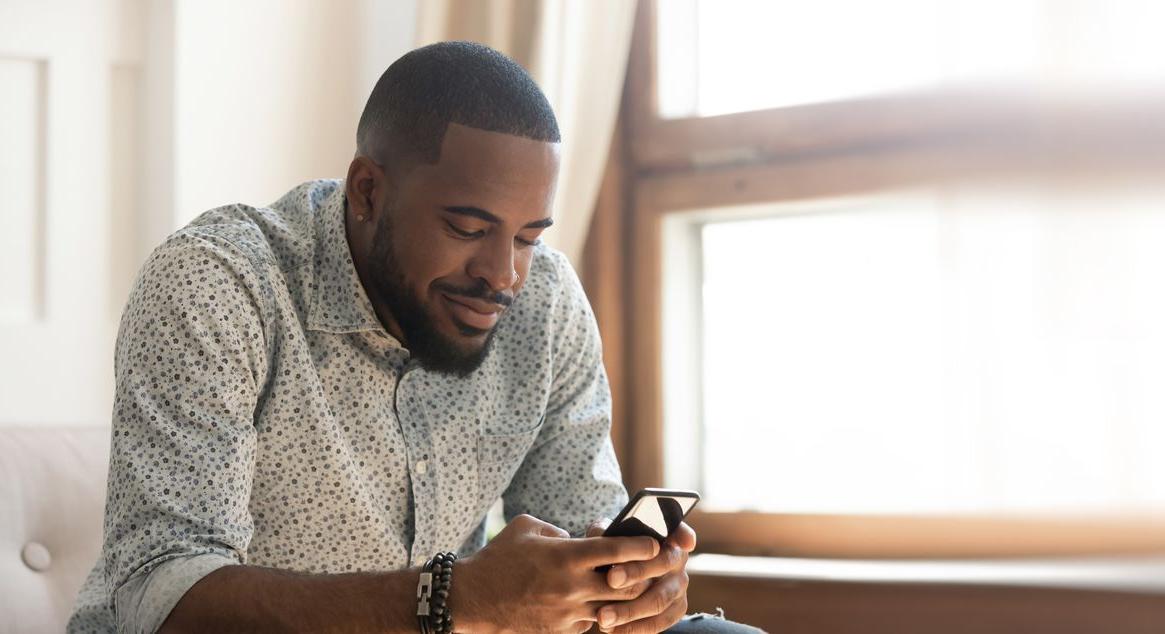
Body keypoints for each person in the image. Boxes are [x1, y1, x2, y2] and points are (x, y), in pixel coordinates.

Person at [69, 41, 760, 634]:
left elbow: (580, 530)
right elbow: (159, 600)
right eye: (467, 229)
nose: (503, 276)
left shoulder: (543, 302)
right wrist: (453, 599)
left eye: (527, 237)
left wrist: (627, 593)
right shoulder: (219, 283)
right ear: (367, 191)